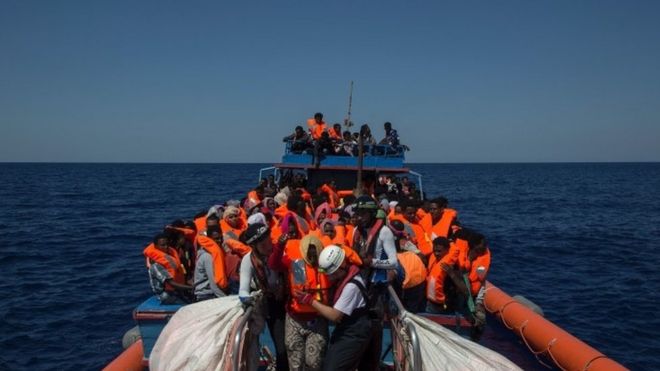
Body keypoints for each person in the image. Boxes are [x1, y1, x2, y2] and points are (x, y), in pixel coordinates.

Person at [293, 245, 375, 371]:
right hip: (350, 329)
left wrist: (309, 300)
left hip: (355, 332)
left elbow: (335, 316)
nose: (330, 277)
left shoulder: (351, 287)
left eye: (333, 273)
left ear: (342, 266)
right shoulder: (347, 278)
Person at [270, 235, 330, 371]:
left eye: (315, 250)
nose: (312, 253)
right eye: (309, 250)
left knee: (314, 363)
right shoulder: (294, 263)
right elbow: (273, 264)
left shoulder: (328, 265)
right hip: (294, 319)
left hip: (317, 319)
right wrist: (279, 246)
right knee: (295, 364)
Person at [238, 223, 289, 371]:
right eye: (263, 243)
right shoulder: (248, 260)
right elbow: (243, 288)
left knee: (293, 344)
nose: (268, 245)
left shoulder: (281, 251)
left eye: (269, 240)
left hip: (290, 299)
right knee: (281, 347)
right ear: (254, 245)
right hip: (272, 304)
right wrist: (246, 298)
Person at [389, 220, 427, 313]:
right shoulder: (405, 243)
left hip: (406, 275)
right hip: (415, 280)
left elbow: (422, 257)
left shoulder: (406, 243)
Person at [143, 233, 192, 304]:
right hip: (166, 295)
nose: (166, 247)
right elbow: (171, 283)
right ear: (156, 246)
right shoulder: (155, 265)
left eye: (167, 244)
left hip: (177, 291)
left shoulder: (169, 256)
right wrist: (191, 287)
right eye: (163, 245)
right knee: (187, 306)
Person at [193, 225, 229, 300]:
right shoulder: (207, 257)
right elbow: (213, 284)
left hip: (213, 293)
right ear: (209, 239)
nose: (219, 241)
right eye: (216, 239)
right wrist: (225, 299)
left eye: (220, 238)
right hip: (206, 295)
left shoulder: (218, 253)